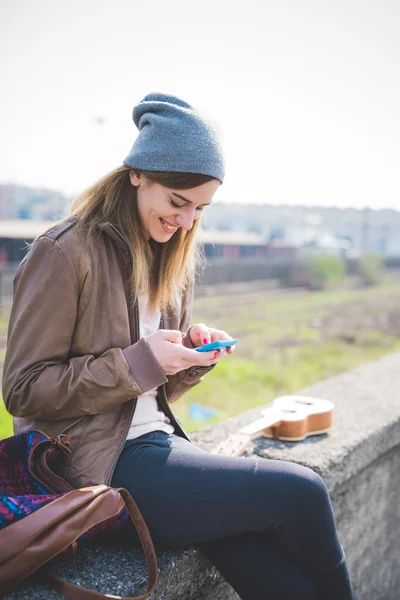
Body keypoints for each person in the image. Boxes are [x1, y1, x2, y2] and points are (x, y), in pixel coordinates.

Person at [3, 93, 355, 600]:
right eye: (177, 201)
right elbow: (23, 391)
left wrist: (188, 356)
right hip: (95, 467)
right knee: (304, 492)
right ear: (137, 175)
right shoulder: (64, 252)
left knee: (262, 560)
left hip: (157, 447)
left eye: (200, 208)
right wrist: (140, 362)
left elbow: (146, 396)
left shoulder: (170, 253)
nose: (187, 221)